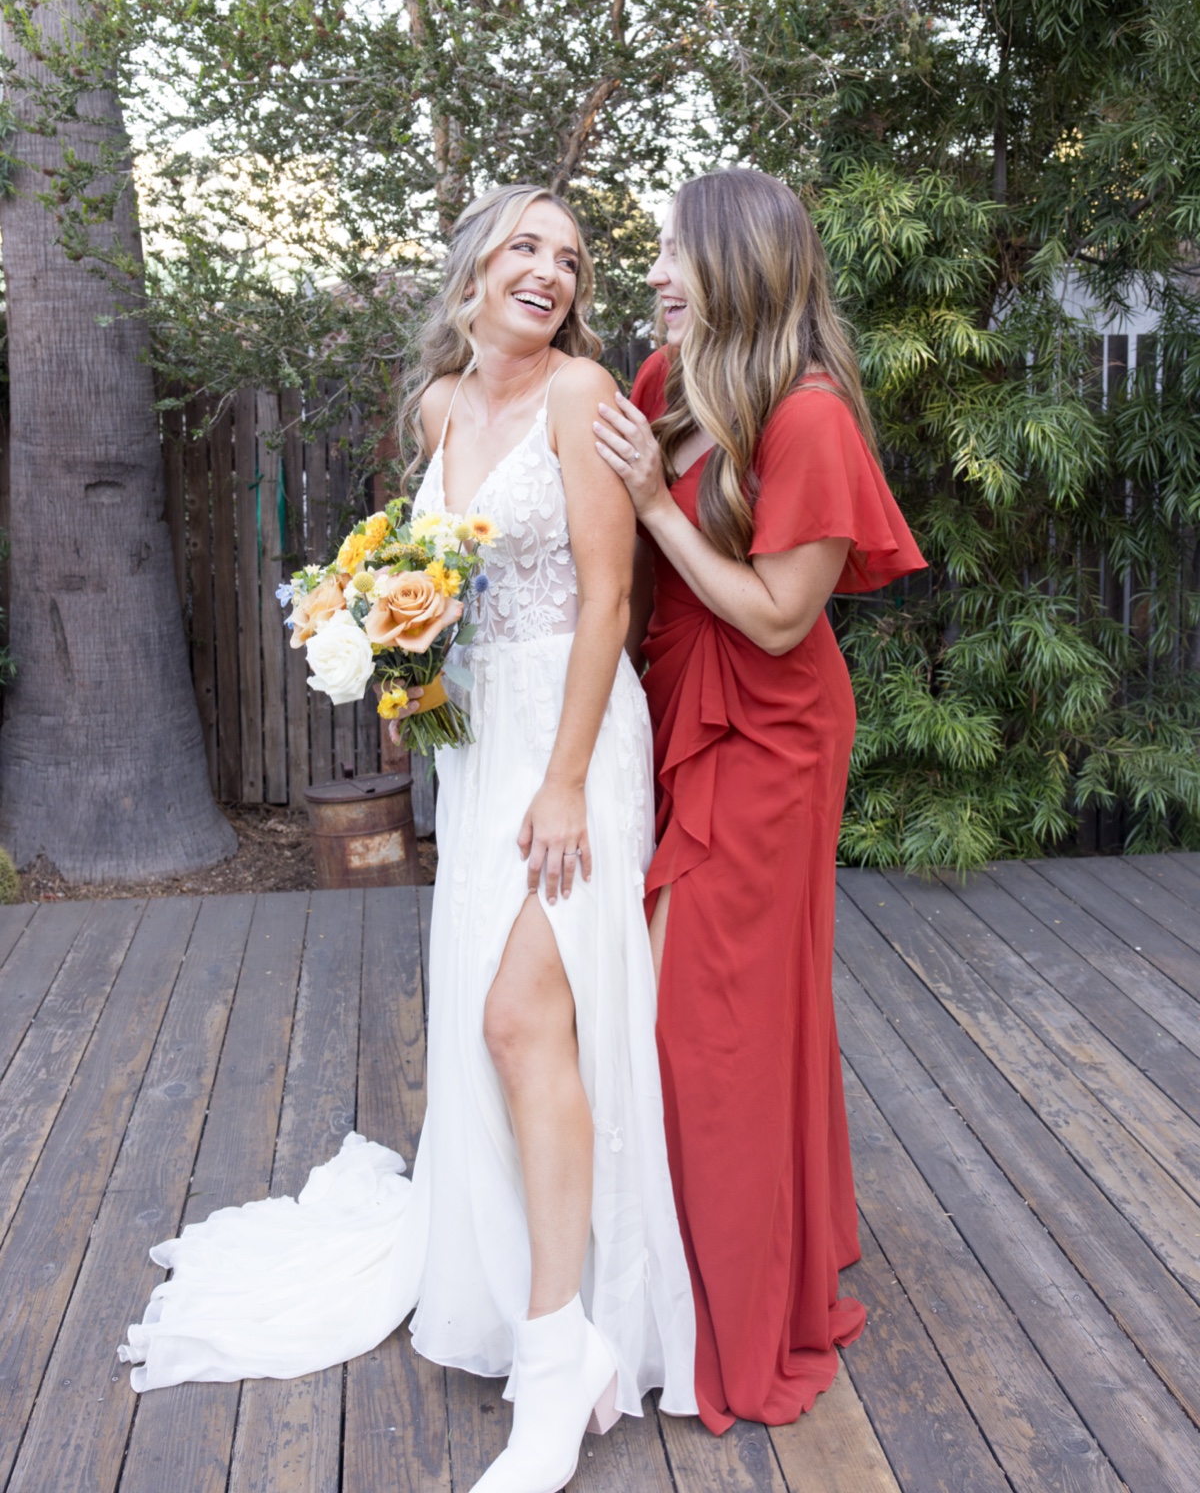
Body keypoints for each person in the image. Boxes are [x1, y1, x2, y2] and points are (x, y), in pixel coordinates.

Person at [121, 185, 697, 1493]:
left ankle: (561, 1366)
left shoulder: (581, 396)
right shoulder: (441, 409)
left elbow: (610, 599)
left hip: (575, 744)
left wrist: (562, 784)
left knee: (516, 1019)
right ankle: (534, 1308)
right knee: (506, 1030)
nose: (550, 271)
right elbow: (433, 578)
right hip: (483, 749)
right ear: (477, 265)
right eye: (527, 246)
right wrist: (405, 684)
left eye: (572, 258)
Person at [594, 166, 925, 1436]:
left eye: (674, 254)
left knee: (712, 1021)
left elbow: (784, 617)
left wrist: (649, 514)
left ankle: (731, 1305)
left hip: (772, 732)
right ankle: (678, 1273)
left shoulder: (811, 417)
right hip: (672, 708)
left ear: (737, 264)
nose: (656, 277)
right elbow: (615, 557)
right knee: (692, 1006)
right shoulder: (663, 386)